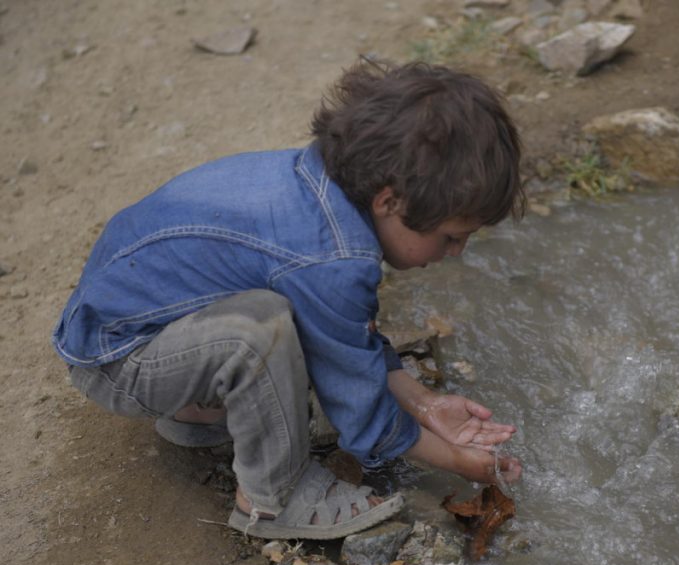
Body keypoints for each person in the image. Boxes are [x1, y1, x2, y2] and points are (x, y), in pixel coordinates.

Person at [52, 60, 525, 540]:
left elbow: (347, 339)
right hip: (117, 361)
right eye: (450, 237)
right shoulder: (332, 257)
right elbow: (363, 418)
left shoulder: (319, 183)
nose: (456, 252)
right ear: (389, 202)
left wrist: (425, 404)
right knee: (260, 331)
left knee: (285, 314)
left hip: (133, 325)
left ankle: (199, 415)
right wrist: (459, 461)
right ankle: (274, 497)